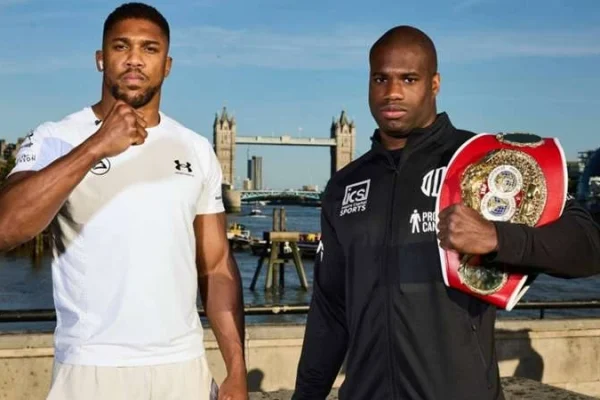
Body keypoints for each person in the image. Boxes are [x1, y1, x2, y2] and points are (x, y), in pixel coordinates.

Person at [292, 25, 600, 400]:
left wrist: (499, 238)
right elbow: (330, 310)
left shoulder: (485, 161)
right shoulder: (344, 185)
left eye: (409, 78)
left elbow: (589, 246)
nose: (392, 92)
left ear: (434, 83)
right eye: (380, 78)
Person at [0, 3, 248, 400]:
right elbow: (6, 228)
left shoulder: (197, 149)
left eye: (150, 49)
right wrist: (96, 145)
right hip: (90, 368)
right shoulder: (55, 137)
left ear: (167, 65)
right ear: (101, 59)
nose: (135, 59)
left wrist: (236, 367)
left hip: (182, 368)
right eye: (121, 47)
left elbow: (216, 266)